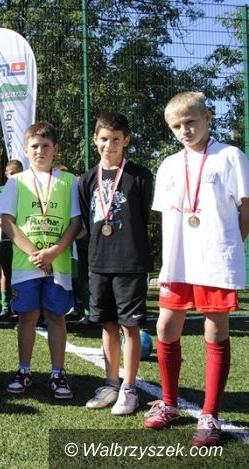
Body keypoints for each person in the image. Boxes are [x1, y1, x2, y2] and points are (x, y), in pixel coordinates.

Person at [143, 92, 249, 447]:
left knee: (214, 331)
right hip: (179, 261)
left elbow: (246, 209)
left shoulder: (230, 156)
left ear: (207, 117)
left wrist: (228, 245)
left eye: (190, 122)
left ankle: (209, 415)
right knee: (165, 326)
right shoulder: (169, 165)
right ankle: (169, 403)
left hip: (215, 259)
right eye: (176, 126)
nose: (184, 130)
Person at [0, 122, 81, 400]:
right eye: (34, 146)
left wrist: (53, 252)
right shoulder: (16, 182)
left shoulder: (70, 181)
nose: (40, 151)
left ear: (55, 150)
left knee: (56, 316)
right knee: (27, 316)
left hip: (58, 263)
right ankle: (24, 370)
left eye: (46, 146)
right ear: (25, 150)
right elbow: (7, 222)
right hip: (25, 264)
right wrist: (35, 253)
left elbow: (76, 222)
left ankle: (58, 372)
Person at [78, 111, 153, 415]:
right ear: (95, 140)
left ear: (126, 141)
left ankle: (130, 389)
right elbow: (87, 220)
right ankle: (111, 384)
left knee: (130, 326)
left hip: (131, 262)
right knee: (107, 325)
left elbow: (144, 216)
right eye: (104, 139)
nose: (109, 145)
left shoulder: (140, 175)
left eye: (116, 139)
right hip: (99, 262)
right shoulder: (86, 179)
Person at [0, 159, 23, 320]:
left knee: (21, 273)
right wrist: (2, 223)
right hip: (5, 239)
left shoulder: (27, 189)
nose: (15, 176)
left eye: (18, 173)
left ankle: (19, 305)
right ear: (6, 174)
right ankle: (5, 306)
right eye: (12, 173)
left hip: (24, 239)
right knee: (6, 272)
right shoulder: (0, 191)